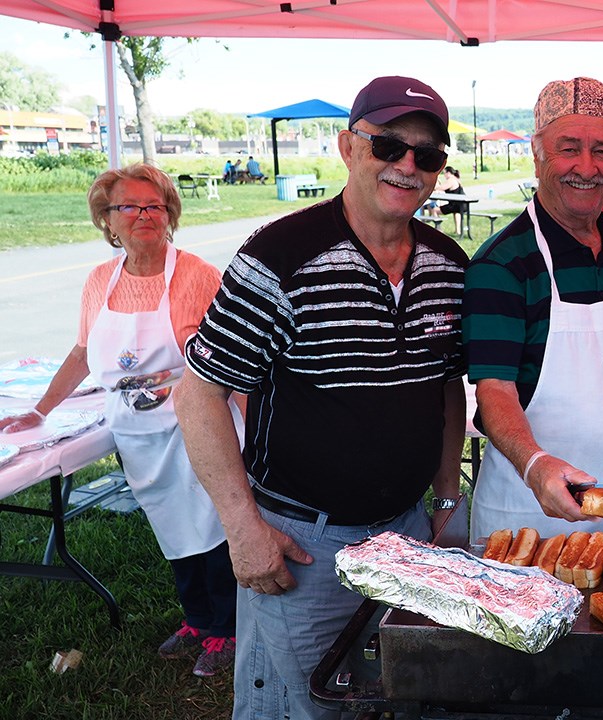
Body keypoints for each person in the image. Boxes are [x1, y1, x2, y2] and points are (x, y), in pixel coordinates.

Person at [174, 75, 468, 720]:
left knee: (405, 689)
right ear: (347, 147)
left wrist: (447, 492)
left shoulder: (448, 263)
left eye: (428, 155)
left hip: (409, 530)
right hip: (304, 541)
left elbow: (448, 386)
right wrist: (242, 527)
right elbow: (197, 394)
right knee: (308, 702)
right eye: (389, 146)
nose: (407, 166)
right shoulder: (280, 256)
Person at [0, 164, 240, 677]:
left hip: (195, 426)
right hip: (138, 436)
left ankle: (229, 629)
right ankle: (197, 619)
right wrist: (41, 409)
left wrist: (257, 434)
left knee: (216, 525)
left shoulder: (198, 275)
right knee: (172, 526)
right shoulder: (98, 282)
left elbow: (233, 364)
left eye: (154, 205)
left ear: (170, 214)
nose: (143, 215)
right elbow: (84, 352)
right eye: (128, 206)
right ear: (107, 220)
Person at [463, 77, 603, 543]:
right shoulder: (503, 264)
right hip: (527, 517)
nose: (586, 167)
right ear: (537, 152)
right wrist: (534, 463)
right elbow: (496, 390)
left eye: (602, 150)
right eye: (568, 148)